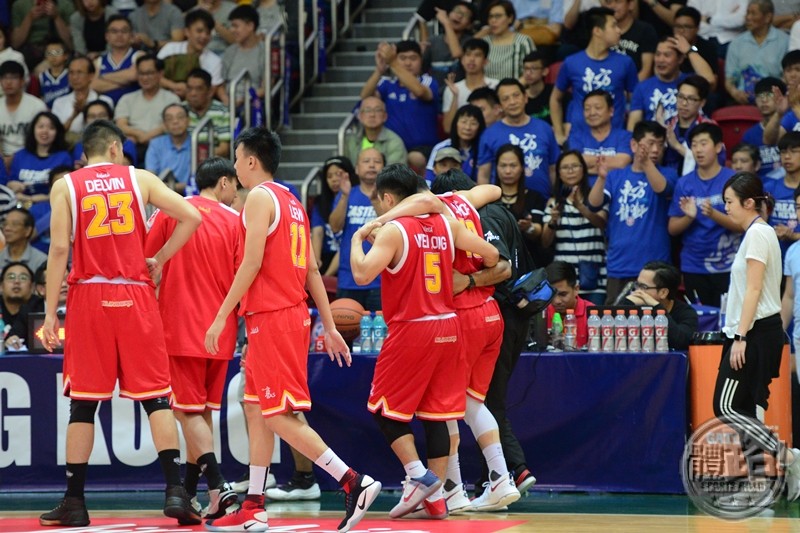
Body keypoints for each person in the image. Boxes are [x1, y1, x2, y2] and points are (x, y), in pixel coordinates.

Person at [203, 126, 381, 532]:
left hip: (274, 317)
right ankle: (254, 504)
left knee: (277, 415)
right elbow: (312, 268)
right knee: (256, 407)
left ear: (250, 160)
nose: (234, 166)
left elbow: (250, 265)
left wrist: (221, 315)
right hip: (285, 315)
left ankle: (353, 481)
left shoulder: (259, 199)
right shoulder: (292, 200)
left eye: (236, 158)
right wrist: (329, 323)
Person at [38, 119, 203, 527]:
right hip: (135, 294)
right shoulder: (140, 178)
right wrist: (160, 259)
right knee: (157, 397)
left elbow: (59, 248)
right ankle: (176, 493)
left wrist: (47, 314)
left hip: (89, 297)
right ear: (114, 148)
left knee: (84, 404)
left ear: (85, 154)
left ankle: (75, 502)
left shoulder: (66, 185)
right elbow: (191, 217)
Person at [349, 163, 503, 519]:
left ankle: (418, 476)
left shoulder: (393, 230)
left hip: (413, 327)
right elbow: (492, 256)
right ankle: (437, 500)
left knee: (383, 410)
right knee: (436, 415)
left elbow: (360, 273)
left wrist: (358, 240)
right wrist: (467, 277)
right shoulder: (448, 224)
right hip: (450, 325)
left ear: (388, 197)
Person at [145, 157, 240, 520]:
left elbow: (146, 260)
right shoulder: (237, 222)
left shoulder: (171, 210)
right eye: (235, 187)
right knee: (200, 413)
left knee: (186, 412)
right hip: (221, 328)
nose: (236, 194)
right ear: (224, 183)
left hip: (178, 325)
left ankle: (218, 485)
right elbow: (243, 274)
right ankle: (188, 492)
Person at [715, 171, 800, 504]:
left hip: (753, 333)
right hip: (755, 331)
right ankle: (757, 485)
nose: (727, 209)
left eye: (730, 202)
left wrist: (740, 336)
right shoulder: (756, 233)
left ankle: (790, 459)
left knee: (726, 406)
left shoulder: (758, 235)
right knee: (745, 410)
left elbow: (753, 289)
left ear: (749, 202)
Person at [588, 121, 677, 304]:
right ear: (634, 145)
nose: (655, 149)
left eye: (660, 145)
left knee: (655, 324)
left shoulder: (669, 173)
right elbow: (594, 204)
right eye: (650, 143)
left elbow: (663, 190)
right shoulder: (616, 175)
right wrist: (601, 177)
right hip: (619, 264)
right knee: (616, 324)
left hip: (656, 267)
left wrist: (646, 164)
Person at [668, 123, 740, 308]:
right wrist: (689, 217)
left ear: (718, 147)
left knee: (728, 323)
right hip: (694, 265)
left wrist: (714, 214)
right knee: (700, 324)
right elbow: (672, 228)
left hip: (730, 264)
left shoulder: (733, 180)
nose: (698, 149)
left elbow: (743, 225)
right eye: (694, 144)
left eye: (703, 143)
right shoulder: (684, 183)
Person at [550, 7, 638, 146]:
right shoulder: (572, 62)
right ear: (597, 31)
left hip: (614, 139)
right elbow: (555, 99)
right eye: (614, 26)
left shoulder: (625, 62)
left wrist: (629, 135)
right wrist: (559, 133)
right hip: (579, 139)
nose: (619, 30)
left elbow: (636, 103)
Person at [543, 151, 608, 304]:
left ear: (583, 170)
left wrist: (581, 207)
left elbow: (602, 223)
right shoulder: (554, 203)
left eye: (575, 166)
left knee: (593, 324)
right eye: (565, 167)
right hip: (563, 280)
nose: (570, 171)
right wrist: (553, 221)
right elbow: (545, 242)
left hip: (595, 278)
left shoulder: (596, 197)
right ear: (558, 173)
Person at [360, 40, 440, 166]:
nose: (408, 63)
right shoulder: (387, 84)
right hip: (391, 146)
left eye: (413, 58)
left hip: (422, 149)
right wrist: (379, 71)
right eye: (402, 58)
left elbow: (419, 91)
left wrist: (393, 63)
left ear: (421, 60)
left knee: (414, 158)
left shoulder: (428, 81)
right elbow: (365, 98)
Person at [477, 78, 559, 200]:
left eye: (516, 96)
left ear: (525, 97)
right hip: (502, 205)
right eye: (506, 99)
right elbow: (484, 174)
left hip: (543, 203)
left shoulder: (544, 128)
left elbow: (553, 169)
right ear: (499, 106)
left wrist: (556, 197)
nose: (512, 102)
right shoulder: (489, 134)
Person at [329, 148, 384, 311]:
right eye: (366, 161)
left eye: (377, 161)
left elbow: (393, 224)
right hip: (349, 277)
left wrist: (375, 201)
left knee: (382, 334)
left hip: (381, 278)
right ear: (357, 168)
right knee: (346, 333)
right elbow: (334, 226)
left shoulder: (388, 196)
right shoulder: (346, 193)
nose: (372, 165)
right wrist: (344, 196)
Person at [627, 35, 715, 128]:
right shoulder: (642, 87)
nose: (661, 60)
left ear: (680, 59)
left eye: (667, 55)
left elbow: (710, 79)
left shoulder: (690, 83)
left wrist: (689, 51)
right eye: (658, 54)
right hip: (654, 140)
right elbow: (633, 126)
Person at [725, 0, 788, 106]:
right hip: (743, 100)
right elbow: (729, 78)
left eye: (753, 13)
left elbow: (787, 76)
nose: (748, 17)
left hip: (775, 100)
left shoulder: (784, 41)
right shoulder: (736, 43)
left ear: (767, 17)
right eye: (747, 13)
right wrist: (734, 92)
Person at [115, 55, 181, 156]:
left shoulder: (171, 99)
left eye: (149, 73)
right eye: (141, 73)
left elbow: (170, 125)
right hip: (134, 145)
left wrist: (146, 137)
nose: (145, 78)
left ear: (160, 74)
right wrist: (139, 135)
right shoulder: (127, 99)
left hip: (162, 146)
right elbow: (121, 125)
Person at [624, 261, 698, 351]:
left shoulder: (686, 313)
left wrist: (657, 307)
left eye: (643, 287)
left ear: (663, 293)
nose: (637, 291)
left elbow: (681, 342)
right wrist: (627, 303)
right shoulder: (634, 307)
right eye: (637, 285)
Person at [7, 111, 72, 210]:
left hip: (51, 207)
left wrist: (31, 198)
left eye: (51, 128)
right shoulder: (20, 155)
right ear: (33, 129)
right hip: (19, 206)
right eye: (41, 126)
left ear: (57, 132)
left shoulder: (64, 157)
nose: (45, 131)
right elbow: (11, 183)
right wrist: (12, 185)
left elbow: (65, 191)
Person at [158, 9, 225, 103]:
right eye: (199, 31)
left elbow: (211, 91)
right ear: (187, 32)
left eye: (208, 33)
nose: (204, 36)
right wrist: (174, 86)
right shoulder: (170, 49)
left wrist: (188, 92)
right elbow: (154, 75)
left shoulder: (215, 61)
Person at [493, 144, 546, 261]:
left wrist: (529, 227)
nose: (507, 171)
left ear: (522, 167)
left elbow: (538, 230)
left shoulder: (534, 197)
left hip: (528, 260)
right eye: (503, 165)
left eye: (513, 165)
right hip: (495, 260)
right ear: (496, 167)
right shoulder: (487, 197)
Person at [566, 89, 633, 181]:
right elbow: (575, 164)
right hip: (584, 191)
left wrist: (587, 167)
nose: (592, 113)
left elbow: (621, 163)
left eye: (598, 108)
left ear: (611, 111)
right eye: (587, 109)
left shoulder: (625, 136)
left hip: (616, 190)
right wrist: (610, 163)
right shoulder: (576, 137)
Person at [441, 38, 498, 135]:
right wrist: (455, 97)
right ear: (462, 60)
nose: (471, 59)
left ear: (485, 61)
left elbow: (501, 121)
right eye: (468, 54)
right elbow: (448, 128)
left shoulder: (495, 86)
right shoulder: (452, 89)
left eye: (477, 55)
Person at [51, 56, 115, 140]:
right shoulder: (59, 103)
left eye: (79, 72)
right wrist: (74, 114)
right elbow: (55, 135)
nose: (74, 77)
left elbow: (109, 131)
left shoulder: (105, 101)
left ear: (91, 76)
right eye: (71, 73)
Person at [311, 156, 356, 277]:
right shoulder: (320, 202)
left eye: (338, 174)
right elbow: (317, 232)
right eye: (329, 176)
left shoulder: (357, 198)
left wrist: (326, 276)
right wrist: (316, 259)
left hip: (350, 256)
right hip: (327, 255)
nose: (334, 179)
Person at [663, 74, 716, 173]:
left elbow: (713, 163)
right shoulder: (667, 124)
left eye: (691, 99)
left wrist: (677, 146)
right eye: (681, 97)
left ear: (702, 103)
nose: (684, 103)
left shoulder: (709, 128)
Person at [0, 61, 48, 168]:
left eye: (13, 78)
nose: (8, 82)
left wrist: (17, 158)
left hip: (32, 155)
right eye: (4, 78)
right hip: (3, 159)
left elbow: (43, 139)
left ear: (22, 81)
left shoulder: (36, 105)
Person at [422, 2, 476, 91]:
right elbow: (422, 68)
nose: (459, 16)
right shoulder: (433, 41)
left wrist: (446, 23)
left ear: (469, 25)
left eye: (465, 15)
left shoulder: (470, 42)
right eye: (457, 11)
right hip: (435, 94)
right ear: (449, 14)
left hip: (459, 93)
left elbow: (457, 53)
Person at [426, 104, 486, 184]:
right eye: (464, 122)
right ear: (455, 123)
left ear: (480, 127)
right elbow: (428, 179)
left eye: (473, 123)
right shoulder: (441, 147)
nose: (467, 127)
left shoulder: (484, 149)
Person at [91, 15, 143, 105]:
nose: (119, 35)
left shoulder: (139, 55)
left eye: (124, 31)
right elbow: (93, 85)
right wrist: (127, 82)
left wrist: (103, 77)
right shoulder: (98, 61)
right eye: (114, 31)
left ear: (131, 35)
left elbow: (134, 75)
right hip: (107, 109)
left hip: (135, 106)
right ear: (107, 36)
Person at [741, 76, 785, 180]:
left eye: (769, 95)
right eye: (759, 96)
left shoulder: (790, 127)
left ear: (782, 98)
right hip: (759, 188)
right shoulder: (749, 136)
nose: (764, 100)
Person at [221, 5, 266, 105]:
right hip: (228, 103)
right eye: (231, 26)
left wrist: (243, 100)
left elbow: (265, 88)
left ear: (250, 26)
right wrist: (226, 100)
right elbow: (221, 85)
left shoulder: (265, 51)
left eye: (236, 26)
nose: (232, 30)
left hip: (252, 103)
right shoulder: (230, 51)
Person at [545, 260, 595, 348]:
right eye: (552, 295)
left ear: (576, 289)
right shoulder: (542, 314)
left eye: (563, 294)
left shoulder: (592, 314)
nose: (557, 301)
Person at [344, 97, 407, 166]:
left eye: (377, 110)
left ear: (385, 116)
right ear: (360, 116)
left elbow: (394, 173)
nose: (372, 115)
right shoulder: (350, 141)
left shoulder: (395, 142)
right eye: (368, 110)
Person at [183, 68, 231, 160]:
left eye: (198, 89)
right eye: (189, 88)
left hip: (211, 163)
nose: (193, 93)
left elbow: (224, 148)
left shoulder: (222, 112)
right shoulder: (179, 110)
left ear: (210, 91)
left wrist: (198, 157)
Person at [73, 100, 138, 168]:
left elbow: (125, 167)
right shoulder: (81, 144)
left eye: (101, 115)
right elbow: (78, 169)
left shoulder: (124, 141)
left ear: (110, 118)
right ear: (85, 120)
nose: (97, 119)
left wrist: (91, 162)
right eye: (92, 116)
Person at [764, 132, 800, 255]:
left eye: (793, 151)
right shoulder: (769, 188)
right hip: (774, 257)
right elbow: (760, 222)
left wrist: (795, 236)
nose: (787, 157)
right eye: (783, 152)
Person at [10, 0, 73, 69]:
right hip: (30, 50)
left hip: (56, 47)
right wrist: (29, 18)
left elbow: (70, 43)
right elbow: (16, 43)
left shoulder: (65, 4)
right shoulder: (20, 5)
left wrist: (56, 17)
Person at [603, 0, 657, 80]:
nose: (612, 6)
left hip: (635, 88)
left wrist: (630, 90)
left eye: (618, 1)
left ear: (631, 4)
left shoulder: (645, 30)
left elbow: (646, 71)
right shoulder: (601, 31)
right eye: (609, 2)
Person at [481, 1, 535, 81]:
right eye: (490, 17)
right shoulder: (484, 42)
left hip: (515, 90)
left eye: (498, 16)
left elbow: (532, 70)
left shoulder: (523, 41)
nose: (493, 20)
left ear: (510, 18)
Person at [145, 103, 192, 194]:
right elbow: (150, 178)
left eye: (180, 117)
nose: (175, 121)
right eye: (169, 119)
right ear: (164, 124)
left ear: (188, 120)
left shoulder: (197, 144)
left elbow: (202, 182)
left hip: (192, 196)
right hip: (163, 197)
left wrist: (170, 186)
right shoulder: (156, 144)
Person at [0, 207, 48, 274]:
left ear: (28, 230)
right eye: (5, 224)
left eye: (14, 224)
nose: (7, 228)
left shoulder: (41, 260)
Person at [521, 51, 553, 124]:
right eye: (525, 68)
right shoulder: (520, 96)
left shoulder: (554, 93)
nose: (528, 73)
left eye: (534, 68)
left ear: (545, 71)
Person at [0, 261, 35, 327]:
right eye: (11, 277)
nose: (16, 281)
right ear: (1, 286)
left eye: (23, 278)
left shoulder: (41, 308)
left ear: (32, 287)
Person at [37, 39, 70, 108]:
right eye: (49, 53)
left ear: (66, 55)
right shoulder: (41, 77)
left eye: (57, 52)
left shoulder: (71, 75)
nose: (53, 56)